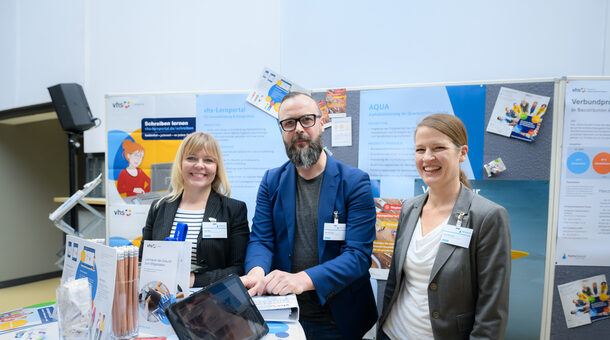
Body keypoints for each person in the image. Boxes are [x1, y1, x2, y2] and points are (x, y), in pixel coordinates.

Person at [241, 92, 377, 339]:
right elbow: (261, 239)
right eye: (289, 123)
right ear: (281, 130)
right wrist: (256, 272)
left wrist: (302, 280)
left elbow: (357, 256)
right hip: (283, 312)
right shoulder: (272, 181)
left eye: (307, 120)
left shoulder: (354, 182)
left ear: (321, 122)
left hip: (338, 316)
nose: (299, 129)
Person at [379, 113, 511, 340]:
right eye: (420, 150)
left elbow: (492, 310)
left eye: (438, 148)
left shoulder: (488, 217)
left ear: (462, 153)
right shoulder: (409, 209)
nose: (427, 158)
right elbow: (396, 282)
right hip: (392, 333)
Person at [140, 132, 249, 288]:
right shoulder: (159, 208)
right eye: (191, 158)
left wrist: (195, 281)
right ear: (180, 163)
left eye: (208, 160)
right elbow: (144, 260)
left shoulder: (234, 210)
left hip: (213, 303)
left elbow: (239, 269)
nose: (199, 165)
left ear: (217, 167)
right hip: (164, 300)